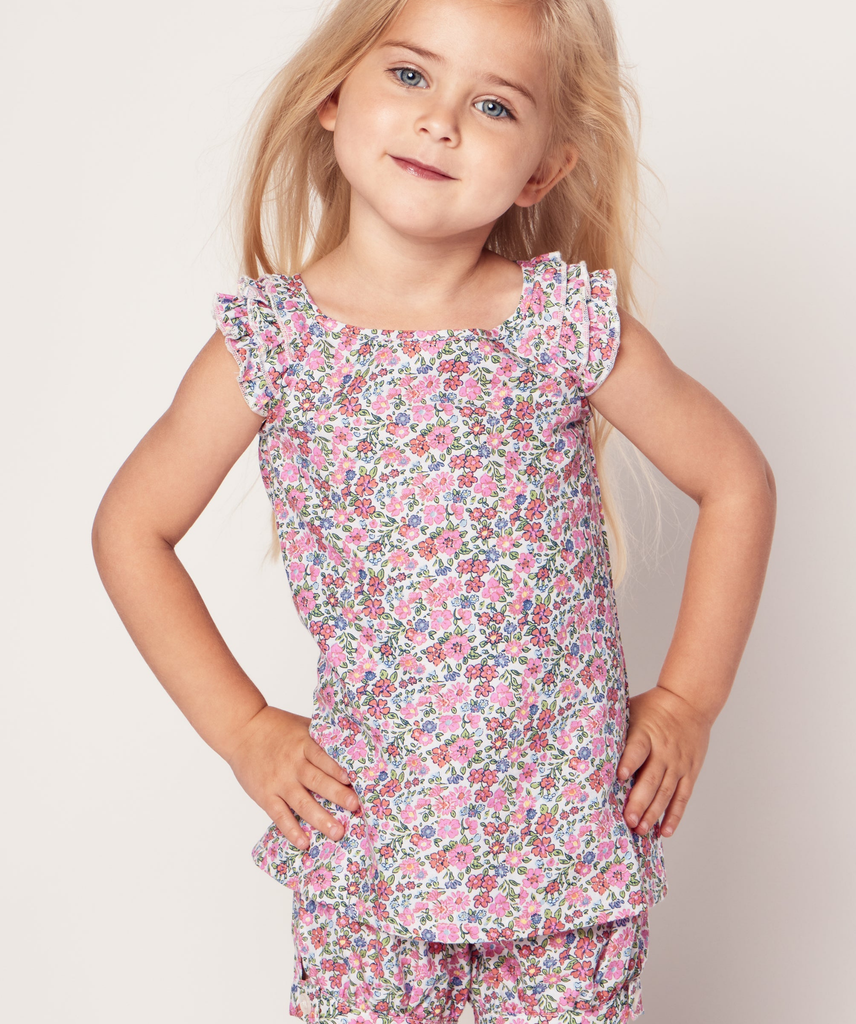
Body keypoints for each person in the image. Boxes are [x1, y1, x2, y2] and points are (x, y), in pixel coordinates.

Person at [92, 0, 777, 1020]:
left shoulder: (561, 326)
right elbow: (130, 530)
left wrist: (687, 702)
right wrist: (244, 730)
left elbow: (735, 479)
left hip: (564, 848)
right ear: (333, 94)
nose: (441, 121)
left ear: (542, 170)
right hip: (371, 847)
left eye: (495, 105)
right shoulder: (274, 345)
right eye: (410, 75)